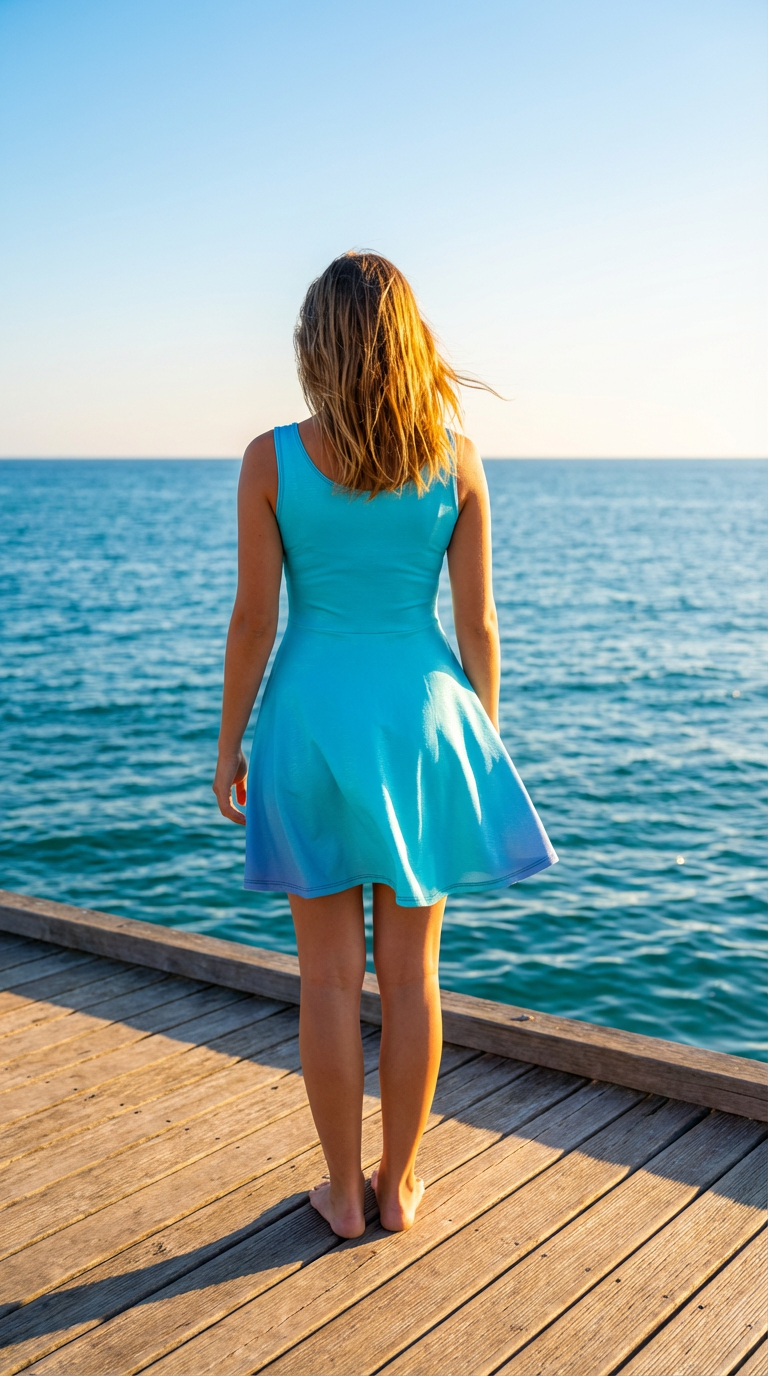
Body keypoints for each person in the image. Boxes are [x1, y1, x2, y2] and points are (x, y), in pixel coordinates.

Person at [213, 251, 557, 1239]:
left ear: (314, 344)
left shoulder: (270, 459)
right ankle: (400, 1187)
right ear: (410, 342)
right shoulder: (456, 457)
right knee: (413, 977)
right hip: (425, 725)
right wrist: (482, 736)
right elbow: (480, 621)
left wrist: (230, 742)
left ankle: (340, 1193)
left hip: (309, 722)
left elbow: (253, 619)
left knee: (324, 978)